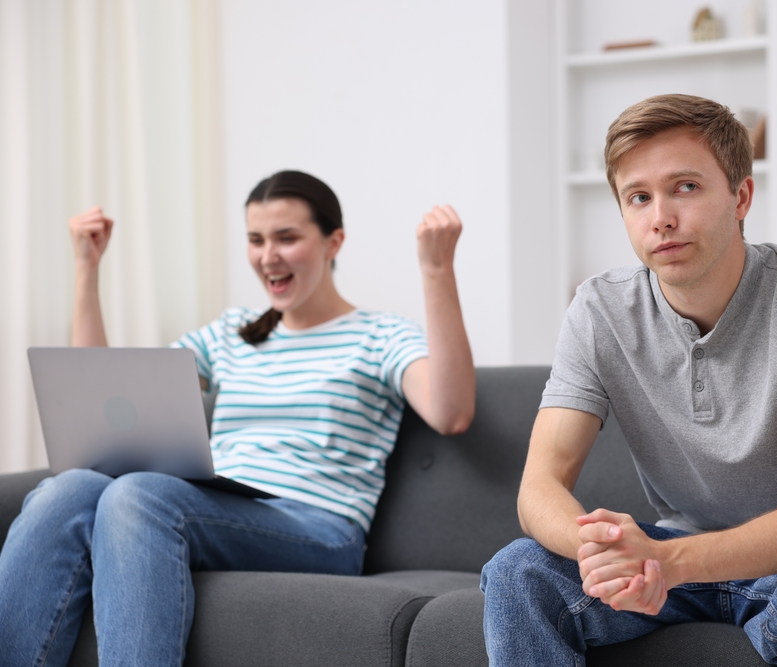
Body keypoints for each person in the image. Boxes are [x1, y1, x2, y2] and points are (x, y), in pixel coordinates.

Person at [481, 94, 777, 666]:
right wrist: (605, 551)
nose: (661, 216)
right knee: (517, 569)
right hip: (673, 546)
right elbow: (539, 489)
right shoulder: (599, 310)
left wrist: (667, 562)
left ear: (741, 197)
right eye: (638, 197)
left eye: (685, 187)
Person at [0, 170, 476, 666]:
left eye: (286, 238)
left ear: (333, 241)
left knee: (137, 495)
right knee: (68, 489)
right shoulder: (232, 333)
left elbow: (451, 411)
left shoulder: (379, 335)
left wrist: (437, 270)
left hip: (320, 526)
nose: (268, 256)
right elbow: (104, 393)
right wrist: (86, 268)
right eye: (255, 240)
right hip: (219, 504)